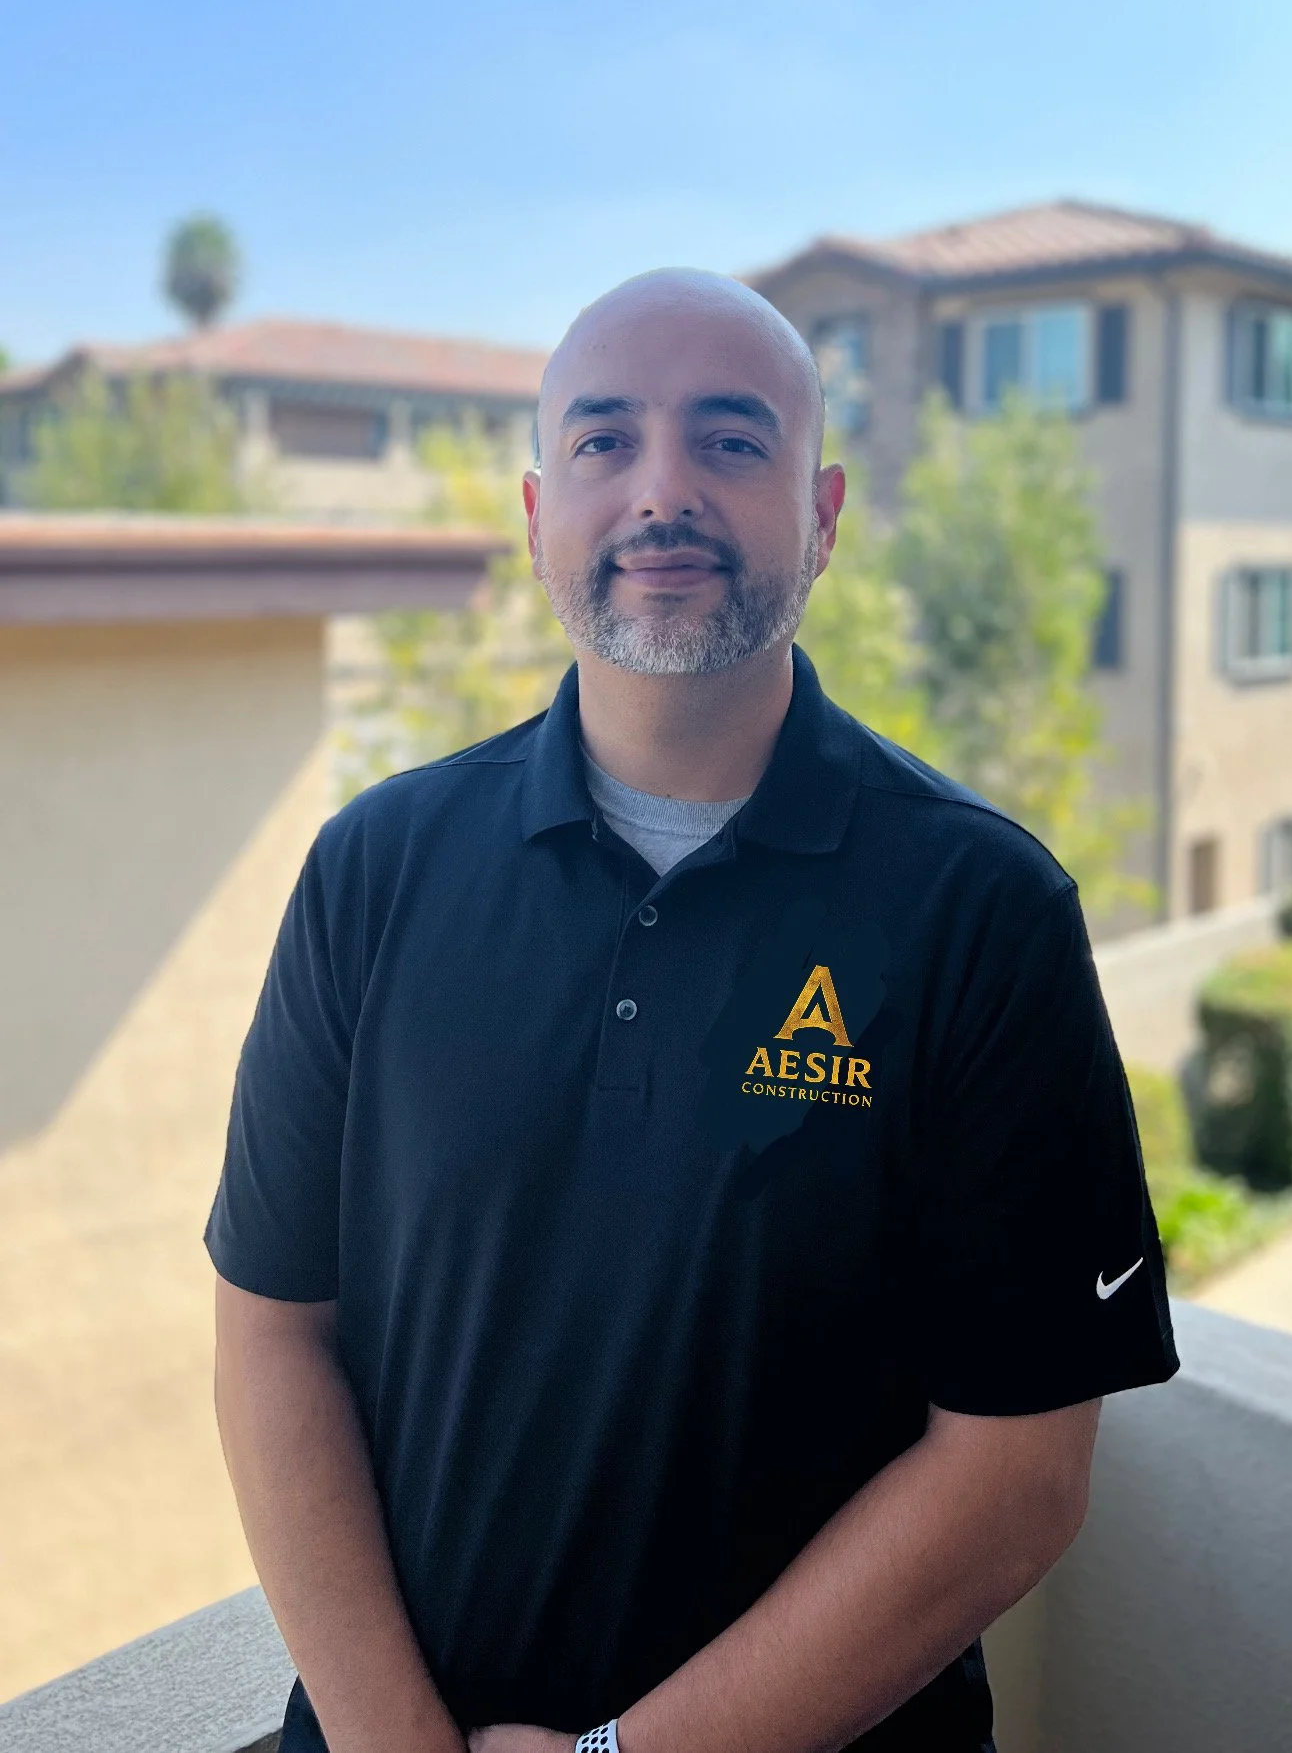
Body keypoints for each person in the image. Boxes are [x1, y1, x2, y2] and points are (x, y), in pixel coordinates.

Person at [207, 269, 1176, 1753]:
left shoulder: (984, 912)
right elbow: (274, 1333)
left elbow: (1018, 1470)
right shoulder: (374, 871)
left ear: (825, 511)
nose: (663, 491)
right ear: (539, 515)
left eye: (731, 440)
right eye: (605, 443)